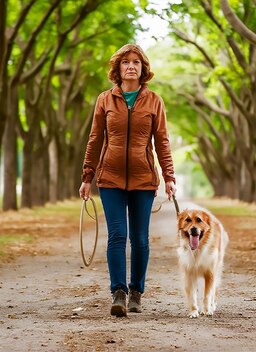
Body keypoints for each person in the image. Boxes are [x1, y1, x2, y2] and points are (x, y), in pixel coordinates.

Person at [79, 43, 176, 317]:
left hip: (144, 180)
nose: (131, 66)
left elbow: (163, 142)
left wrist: (169, 176)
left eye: (136, 62)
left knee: (140, 239)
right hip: (109, 179)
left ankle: (136, 292)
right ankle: (118, 292)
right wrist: (88, 175)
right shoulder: (105, 100)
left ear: (143, 68)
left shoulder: (155, 100)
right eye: (125, 62)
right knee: (117, 236)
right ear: (117, 68)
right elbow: (95, 138)